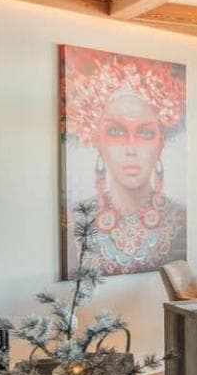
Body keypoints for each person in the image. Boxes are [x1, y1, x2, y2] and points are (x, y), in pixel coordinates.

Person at [61, 49, 187, 276]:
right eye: (117, 132)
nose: (131, 149)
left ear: (161, 143)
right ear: (97, 140)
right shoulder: (74, 221)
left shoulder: (180, 219)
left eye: (145, 134)